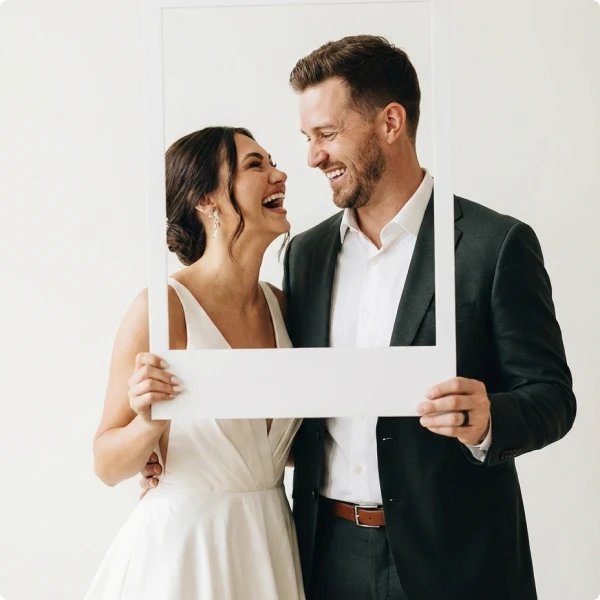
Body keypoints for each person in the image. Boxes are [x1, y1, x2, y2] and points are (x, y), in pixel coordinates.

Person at [141, 35, 576, 600]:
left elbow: (552, 396)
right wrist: (179, 456)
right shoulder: (305, 254)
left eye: (326, 134)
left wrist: (489, 418)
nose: (312, 157)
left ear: (390, 123)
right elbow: (289, 397)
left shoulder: (494, 245)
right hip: (323, 555)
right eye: (306, 138)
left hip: (456, 558)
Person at [86, 126, 304, 600]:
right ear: (207, 199)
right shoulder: (162, 309)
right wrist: (148, 426)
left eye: (272, 162)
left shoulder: (282, 308)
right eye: (255, 165)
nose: (279, 174)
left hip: (269, 541)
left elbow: (270, 448)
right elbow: (105, 463)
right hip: (185, 552)